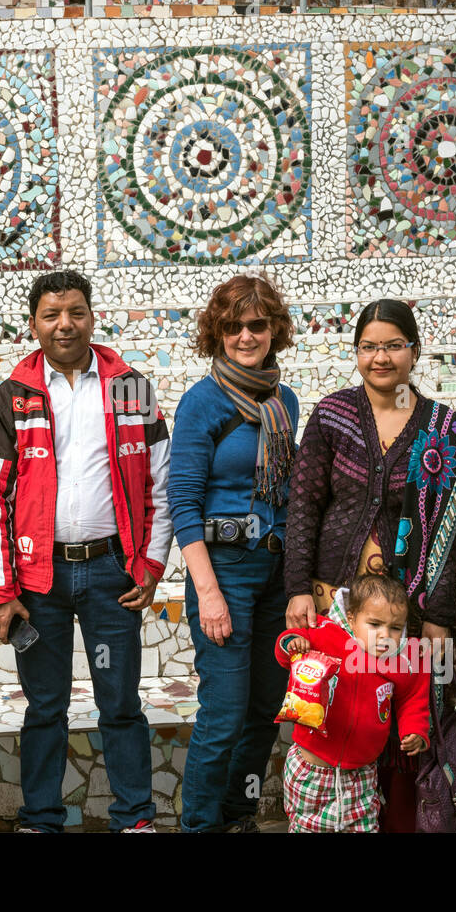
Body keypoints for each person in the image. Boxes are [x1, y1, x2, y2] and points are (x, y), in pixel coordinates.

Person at [0, 270, 173, 833]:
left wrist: (152, 564)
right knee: (45, 707)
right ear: (34, 323)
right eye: (51, 315)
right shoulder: (14, 395)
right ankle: (41, 818)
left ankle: (134, 817)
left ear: (91, 316)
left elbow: (158, 480)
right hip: (40, 578)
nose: (65, 324)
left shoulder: (130, 386)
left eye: (76, 312)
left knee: (120, 702)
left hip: (114, 571)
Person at [285, 298, 456, 831]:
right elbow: (304, 505)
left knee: (407, 726)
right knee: (340, 713)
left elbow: (452, 531)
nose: (381, 357)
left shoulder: (447, 431)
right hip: (337, 603)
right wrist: (298, 587)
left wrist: (439, 617)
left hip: (409, 614)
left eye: (393, 345)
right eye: (369, 346)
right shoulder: (333, 416)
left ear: (414, 351)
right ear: (355, 353)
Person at [166, 275, 299, 832]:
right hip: (225, 570)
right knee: (222, 715)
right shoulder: (204, 401)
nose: (246, 336)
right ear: (217, 332)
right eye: (234, 326)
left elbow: (294, 493)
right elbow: (183, 500)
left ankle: (236, 816)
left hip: (275, 569)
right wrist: (209, 592)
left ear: (274, 330)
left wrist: (298, 584)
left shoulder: (284, 400)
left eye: (257, 325)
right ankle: (198, 825)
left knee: (264, 712)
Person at [275, 573, 430, 832]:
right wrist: (292, 643)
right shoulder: (325, 635)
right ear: (352, 619)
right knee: (306, 827)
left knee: (364, 826)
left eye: (394, 628)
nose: (385, 636)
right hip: (311, 768)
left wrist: (415, 730)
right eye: (375, 624)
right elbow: (284, 649)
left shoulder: (403, 660)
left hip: (362, 773)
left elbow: (413, 698)